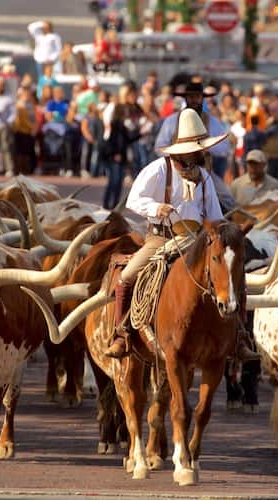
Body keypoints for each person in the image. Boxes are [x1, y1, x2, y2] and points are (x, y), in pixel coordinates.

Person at [106, 108, 256, 362]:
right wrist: (156, 208)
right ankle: (123, 335)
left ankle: (239, 336)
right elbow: (134, 199)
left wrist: (223, 233)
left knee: (232, 274)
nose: (200, 153)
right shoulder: (159, 170)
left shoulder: (205, 177)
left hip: (198, 240)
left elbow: (215, 216)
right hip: (161, 238)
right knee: (127, 276)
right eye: (197, 148)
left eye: (201, 148)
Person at [155, 79, 232, 178]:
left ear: (202, 98)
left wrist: (206, 147)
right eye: (191, 97)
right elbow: (159, 147)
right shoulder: (172, 121)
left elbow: (225, 148)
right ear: (186, 98)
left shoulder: (212, 121)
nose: (194, 100)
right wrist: (176, 158)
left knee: (224, 194)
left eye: (197, 97)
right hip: (177, 172)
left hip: (205, 173)